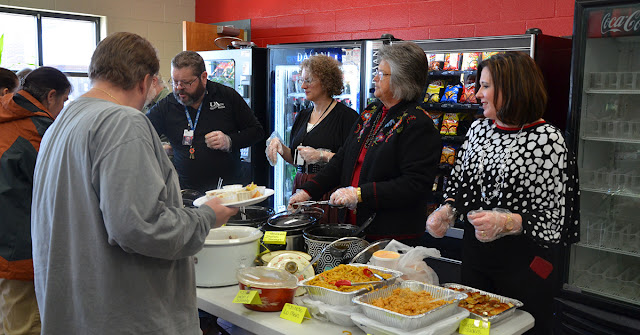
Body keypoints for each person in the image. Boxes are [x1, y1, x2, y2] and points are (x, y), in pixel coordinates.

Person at [30, 32, 237, 335]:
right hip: (124, 313)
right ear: (144, 81)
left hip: (76, 310)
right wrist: (207, 217)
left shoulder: (62, 121)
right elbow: (140, 226)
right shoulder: (122, 121)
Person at [426, 51, 579, 334]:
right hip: (476, 259)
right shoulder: (478, 129)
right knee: (473, 327)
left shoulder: (548, 140)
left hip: (525, 266)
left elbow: (556, 218)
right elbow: (460, 183)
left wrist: (508, 222)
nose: (477, 93)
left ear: (512, 88)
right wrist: (447, 209)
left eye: (485, 86)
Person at [288, 42, 441, 244]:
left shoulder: (418, 124)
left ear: (401, 80)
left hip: (392, 236)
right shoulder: (371, 114)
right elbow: (342, 159)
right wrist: (308, 191)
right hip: (357, 227)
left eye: (382, 74)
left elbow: (415, 184)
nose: (375, 78)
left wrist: (360, 194)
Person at [0, 66, 70, 335]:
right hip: (19, 249)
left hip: (6, 242)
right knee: (26, 325)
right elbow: (59, 188)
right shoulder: (38, 131)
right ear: (51, 96)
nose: (63, 108)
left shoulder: (7, 114)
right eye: (63, 101)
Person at [147, 51, 265, 192]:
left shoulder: (226, 96)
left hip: (227, 191)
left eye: (185, 83)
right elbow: (142, 133)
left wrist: (229, 141)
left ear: (203, 78)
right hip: (186, 193)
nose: (178, 88)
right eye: (174, 82)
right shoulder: (167, 106)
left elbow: (257, 131)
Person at [266, 55, 359, 224]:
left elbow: (352, 161)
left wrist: (322, 156)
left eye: (308, 80)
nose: (302, 86)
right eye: (302, 80)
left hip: (329, 189)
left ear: (325, 81)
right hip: (301, 185)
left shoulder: (347, 117)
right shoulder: (303, 115)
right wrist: (280, 148)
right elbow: (296, 159)